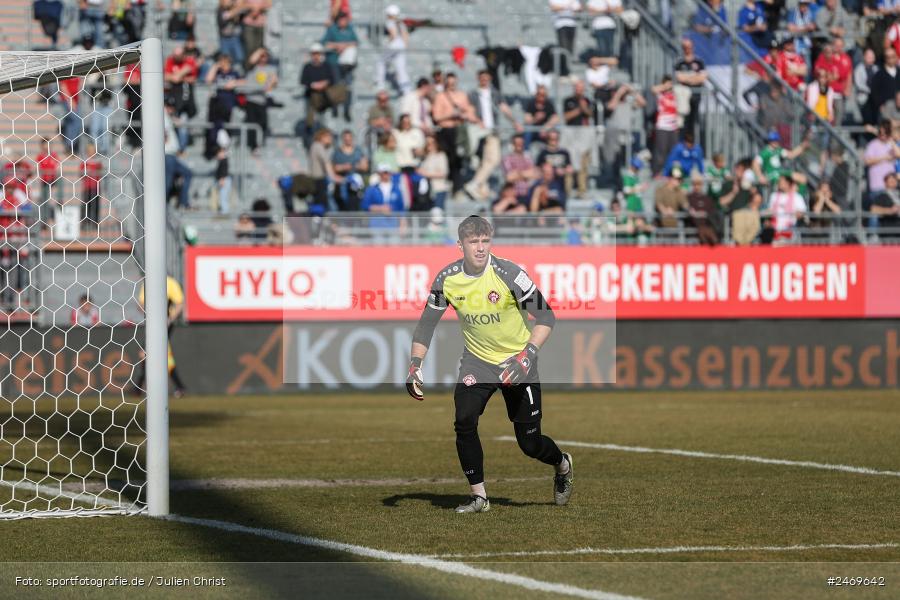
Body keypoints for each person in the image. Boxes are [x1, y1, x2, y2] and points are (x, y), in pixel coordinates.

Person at [406, 214, 572, 513]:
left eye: (485, 241)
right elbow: (425, 326)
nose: (480, 248)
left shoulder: (509, 274)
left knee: (530, 444)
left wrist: (527, 355)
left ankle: (562, 465)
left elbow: (547, 317)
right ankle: (479, 497)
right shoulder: (447, 279)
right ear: (460, 245)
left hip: (519, 363)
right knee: (465, 419)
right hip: (478, 362)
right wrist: (415, 365)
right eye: (473, 242)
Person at [466, 70, 522, 201]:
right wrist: (477, 121)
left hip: (492, 131)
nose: (484, 80)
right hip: (479, 131)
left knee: (491, 160)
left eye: (486, 78)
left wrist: (514, 122)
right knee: (488, 160)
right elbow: (469, 110)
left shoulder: (494, 94)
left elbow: (504, 108)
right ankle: (477, 186)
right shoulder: (473, 94)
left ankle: (478, 186)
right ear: (478, 78)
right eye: (482, 78)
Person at [134, 275, 187, 399]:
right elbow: (140, 303)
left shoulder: (170, 283)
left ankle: (139, 386)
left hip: (164, 326)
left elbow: (180, 303)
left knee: (150, 353)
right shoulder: (148, 282)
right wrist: (150, 315)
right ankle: (139, 386)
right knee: (150, 354)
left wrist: (169, 319)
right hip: (152, 324)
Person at [431, 72, 477, 193]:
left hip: (459, 130)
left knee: (459, 157)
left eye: (453, 83)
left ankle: (458, 186)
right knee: (449, 158)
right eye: (449, 83)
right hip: (446, 131)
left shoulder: (462, 96)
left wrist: (463, 114)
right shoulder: (440, 96)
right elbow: (436, 116)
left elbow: (470, 112)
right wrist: (450, 114)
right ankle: (451, 183)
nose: (452, 85)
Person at [562, 79, 597, 197]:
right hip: (571, 135)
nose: (579, 90)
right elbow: (566, 117)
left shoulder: (588, 101)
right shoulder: (568, 101)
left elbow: (591, 114)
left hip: (584, 135)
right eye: (577, 87)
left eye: (581, 88)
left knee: (583, 165)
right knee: (569, 164)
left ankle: (582, 191)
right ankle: (567, 190)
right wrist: (579, 109)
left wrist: (585, 108)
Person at [322, 11, 359, 122]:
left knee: (347, 86)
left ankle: (346, 109)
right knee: (336, 85)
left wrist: (344, 46)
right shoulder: (332, 29)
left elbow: (356, 42)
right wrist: (337, 46)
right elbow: (325, 43)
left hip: (347, 63)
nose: (344, 22)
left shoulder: (350, 29)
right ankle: (335, 107)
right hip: (334, 61)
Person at [243, 47, 279, 152]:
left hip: (262, 99)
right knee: (251, 122)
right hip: (251, 99)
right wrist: (260, 50)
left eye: (265, 56)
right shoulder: (252, 67)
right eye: (261, 56)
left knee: (263, 123)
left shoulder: (270, 69)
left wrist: (271, 84)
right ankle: (252, 146)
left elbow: (274, 81)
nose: (263, 58)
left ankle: (259, 143)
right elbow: (251, 60)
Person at [719, 158, 762, 245]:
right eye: (740, 169)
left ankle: (746, 245)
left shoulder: (749, 184)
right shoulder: (729, 184)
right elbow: (722, 202)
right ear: (735, 169)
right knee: (740, 217)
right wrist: (733, 193)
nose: (741, 172)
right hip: (735, 212)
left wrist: (753, 191)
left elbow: (758, 200)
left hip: (749, 212)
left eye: (744, 170)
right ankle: (742, 247)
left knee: (753, 217)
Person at [300, 43, 339, 129]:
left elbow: (332, 80)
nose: (316, 56)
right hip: (311, 96)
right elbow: (303, 81)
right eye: (314, 54)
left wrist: (324, 84)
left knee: (325, 121)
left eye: (318, 53)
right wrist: (313, 85)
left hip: (324, 97)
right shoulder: (307, 66)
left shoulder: (327, 66)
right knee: (310, 120)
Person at [674, 38, 707, 137]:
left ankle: (693, 141)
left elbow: (702, 78)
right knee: (683, 120)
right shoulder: (680, 63)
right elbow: (679, 78)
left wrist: (688, 78)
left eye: (689, 47)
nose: (687, 49)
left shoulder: (699, 62)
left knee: (694, 120)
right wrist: (693, 77)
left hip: (696, 96)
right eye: (685, 47)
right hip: (683, 97)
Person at [377, 4, 411, 94]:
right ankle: (406, 89)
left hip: (394, 45)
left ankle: (380, 85)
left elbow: (393, 34)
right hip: (402, 46)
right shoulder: (401, 23)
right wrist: (404, 46)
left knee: (381, 62)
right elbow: (406, 36)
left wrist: (388, 42)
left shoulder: (390, 22)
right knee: (401, 69)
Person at [333, 129, 369, 210]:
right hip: (342, 182)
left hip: (356, 184)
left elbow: (365, 166)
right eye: (346, 139)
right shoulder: (338, 152)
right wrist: (343, 167)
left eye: (349, 138)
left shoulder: (358, 151)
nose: (348, 140)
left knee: (356, 204)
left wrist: (356, 166)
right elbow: (334, 168)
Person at [651, 76, 680, 175]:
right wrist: (664, 86)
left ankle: (673, 173)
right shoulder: (660, 95)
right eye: (667, 83)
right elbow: (653, 89)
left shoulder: (674, 95)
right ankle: (657, 172)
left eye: (670, 84)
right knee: (661, 151)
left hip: (673, 127)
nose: (669, 86)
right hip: (662, 126)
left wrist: (676, 126)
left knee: (674, 152)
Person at [766, 173, 807, 242]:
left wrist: (796, 215)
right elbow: (770, 210)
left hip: (790, 230)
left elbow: (801, 212)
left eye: (781, 182)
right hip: (775, 231)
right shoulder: (774, 196)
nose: (779, 183)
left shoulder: (797, 197)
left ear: (788, 183)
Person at [687, 172, 720, 245]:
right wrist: (699, 213)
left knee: (708, 228)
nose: (697, 186)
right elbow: (690, 210)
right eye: (695, 184)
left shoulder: (707, 199)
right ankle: (709, 241)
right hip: (695, 223)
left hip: (707, 223)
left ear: (702, 184)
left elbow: (711, 212)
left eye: (699, 184)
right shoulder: (689, 197)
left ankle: (711, 241)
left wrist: (700, 213)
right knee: (702, 229)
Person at [418, 134, 450, 208]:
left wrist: (427, 174)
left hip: (438, 188)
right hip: (427, 190)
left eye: (432, 143)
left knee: (438, 212)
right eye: (427, 143)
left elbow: (443, 173)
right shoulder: (425, 157)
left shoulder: (441, 155)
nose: (429, 145)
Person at [872, 172, 900, 238]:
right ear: (885, 183)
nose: (893, 183)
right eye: (890, 181)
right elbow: (873, 209)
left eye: (894, 181)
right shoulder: (881, 196)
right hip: (889, 231)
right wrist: (890, 211)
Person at [217, 0, 245, 65]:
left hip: (235, 37)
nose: (229, 1)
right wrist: (235, 11)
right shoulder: (220, 10)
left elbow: (244, 9)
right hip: (225, 39)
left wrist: (237, 8)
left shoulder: (235, 9)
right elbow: (225, 17)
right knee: (226, 58)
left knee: (239, 57)